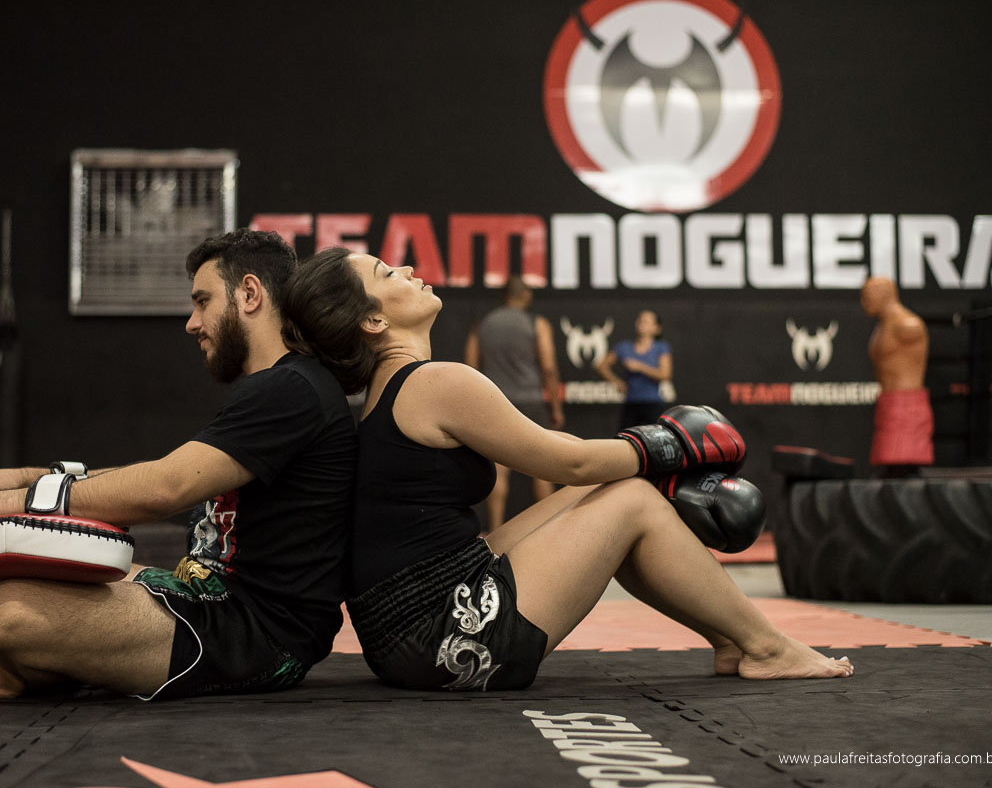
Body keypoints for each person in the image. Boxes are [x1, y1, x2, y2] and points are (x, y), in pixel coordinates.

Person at [281, 247, 853, 691]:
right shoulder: (435, 382)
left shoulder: (391, 388)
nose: (406, 268)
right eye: (387, 274)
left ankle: (729, 639)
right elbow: (571, 460)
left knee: (620, 488)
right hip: (441, 638)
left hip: (409, 624)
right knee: (632, 500)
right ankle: (766, 645)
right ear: (374, 323)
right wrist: (671, 446)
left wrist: (647, 457)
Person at [0, 230, 358, 701]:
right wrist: (32, 478)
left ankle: (5, 675)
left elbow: (163, 489)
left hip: (256, 634)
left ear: (249, 294)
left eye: (202, 301)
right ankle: (12, 674)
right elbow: (163, 472)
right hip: (204, 594)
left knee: (8, 613)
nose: (192, 322)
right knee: (40, 572)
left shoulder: (290, 390)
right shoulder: (278, 387)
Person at [463, 276, 564, 531]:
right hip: (530, 402)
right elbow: (549, 368)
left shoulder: (482, 324)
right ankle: (551, 529)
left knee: (498, 469)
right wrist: (555, 408)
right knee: (542, 468)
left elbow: (470, 367)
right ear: (525, 295)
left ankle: (495, 532)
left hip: (495, 402)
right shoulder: (536, 323)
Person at [861, 276, 933, 476]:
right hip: (888, 404)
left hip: (907, 408)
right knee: (889, 468)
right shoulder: (881, 327)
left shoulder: (908, 326)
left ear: (884, 294)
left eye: (867, 296)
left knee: (902, 469)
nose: (863, 302)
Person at [595, 309, 673, 428]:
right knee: (625, 440)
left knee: (655, 441)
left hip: (652, 404)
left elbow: (665, 375)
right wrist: (617, 383)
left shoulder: (661, 348)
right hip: (631, 403)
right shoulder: (624, 347)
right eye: (640, 320)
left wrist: (640, 367)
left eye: (647, 322)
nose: (642, 323)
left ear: (656, 328)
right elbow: (601, 366)